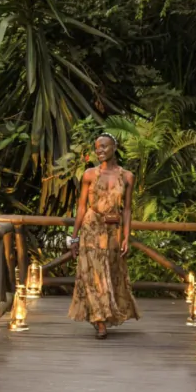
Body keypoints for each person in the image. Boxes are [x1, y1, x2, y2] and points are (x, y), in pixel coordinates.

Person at [66, 133, 141, 339]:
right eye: (97, 147)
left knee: (111, 272)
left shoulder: (127, 177)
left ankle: (102, 315)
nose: (99, 150)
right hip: (91, 228)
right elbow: (81, 207)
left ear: (114, 148)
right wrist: (74, 237)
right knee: (94, 275)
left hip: (113, 230)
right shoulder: (89, 174)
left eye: (104, 146)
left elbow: (127, 210)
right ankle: (100, 321)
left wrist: (126, 236)